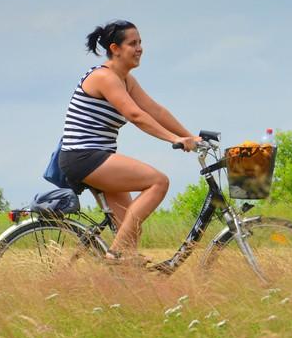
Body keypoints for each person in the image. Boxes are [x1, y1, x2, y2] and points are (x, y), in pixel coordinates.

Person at [58, 20, 199, 262]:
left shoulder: (125, 80)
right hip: (84, 157)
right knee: (158, 182)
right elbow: (135, 115)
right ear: (115, 48)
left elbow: (155, 110)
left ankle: (123, 277)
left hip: (97, 157)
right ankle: (114, 255)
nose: (139, 48)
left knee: (130, 234)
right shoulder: (104, 77)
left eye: (140, 42)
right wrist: (174, 139)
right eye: (133, 43)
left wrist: (190, 137)